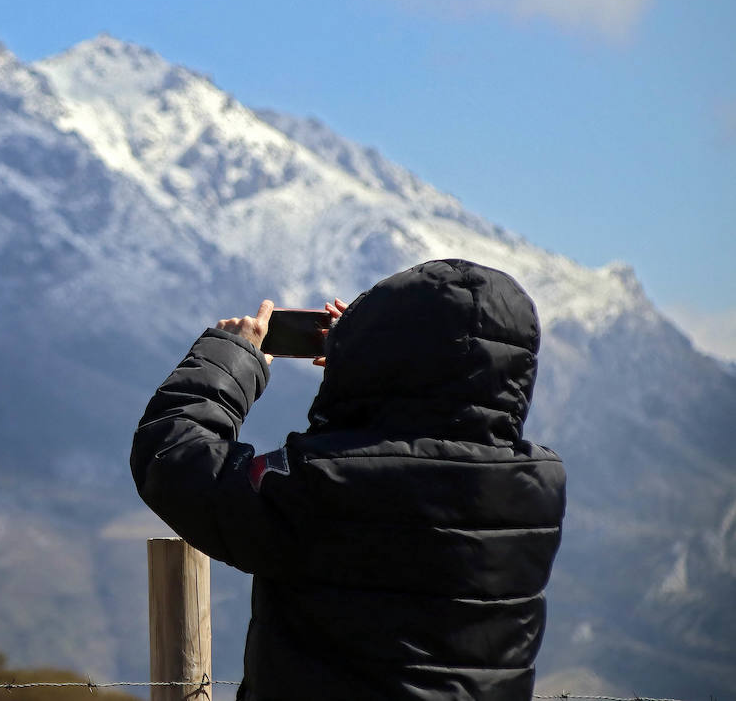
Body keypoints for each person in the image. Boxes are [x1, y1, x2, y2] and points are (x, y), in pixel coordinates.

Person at [131, 259, 565, 701]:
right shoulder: (539, 486)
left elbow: (173, 457)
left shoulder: (324, 482)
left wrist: (230, 357)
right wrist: (369, 358)